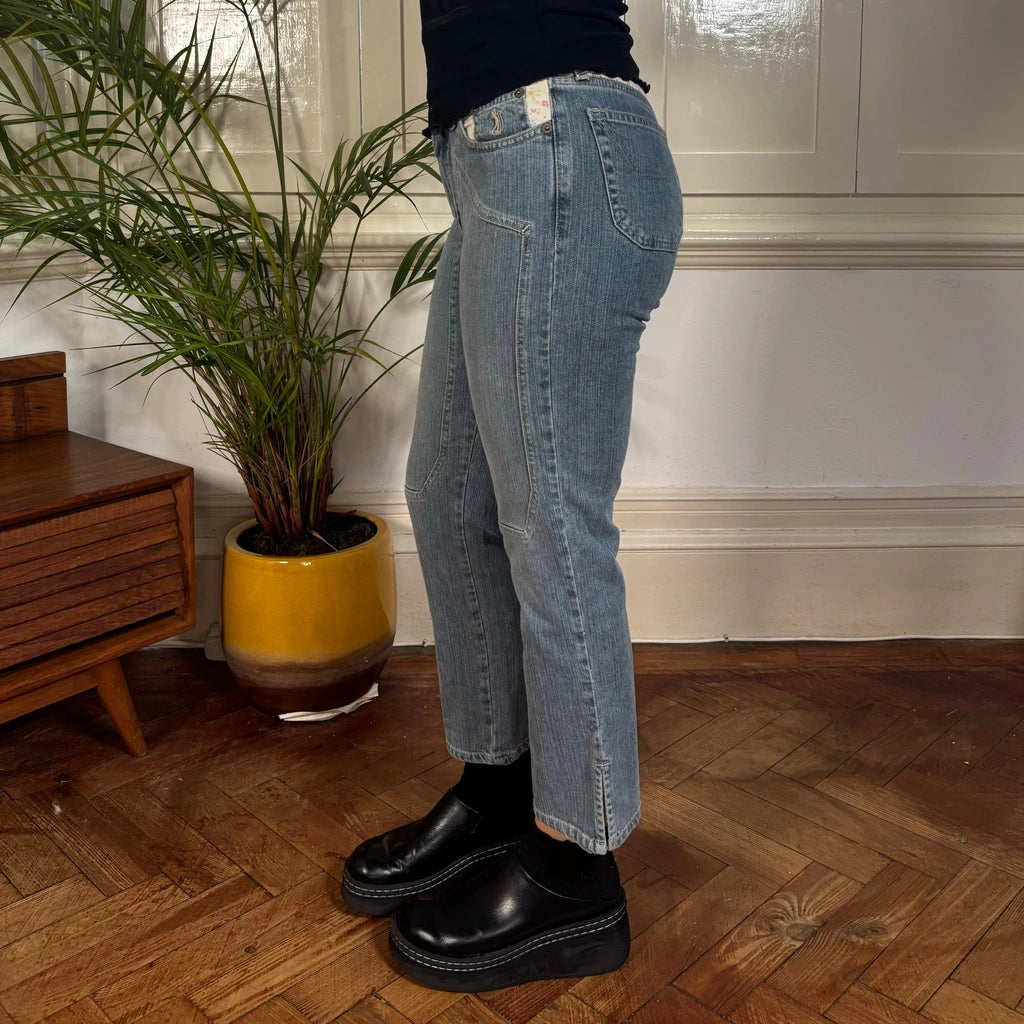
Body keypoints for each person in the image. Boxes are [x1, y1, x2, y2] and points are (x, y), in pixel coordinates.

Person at [342, 0, 683, 991]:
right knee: (448, 494)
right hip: (501, 157)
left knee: (552, 527)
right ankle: (501, 789)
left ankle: (577, 872)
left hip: (555, 141)